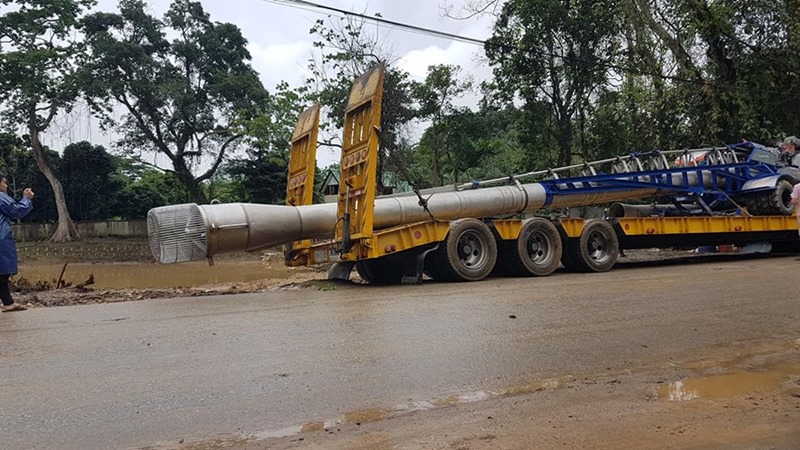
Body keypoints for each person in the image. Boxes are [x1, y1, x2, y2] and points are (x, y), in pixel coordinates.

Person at [0, 175, 34, 312]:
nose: (6, 185)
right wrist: (26, 198)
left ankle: (8, 303)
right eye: (4, 182)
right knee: (3, 273)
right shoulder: (1, 197)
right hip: (1, 239)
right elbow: (16, 211)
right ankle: (8, 303)